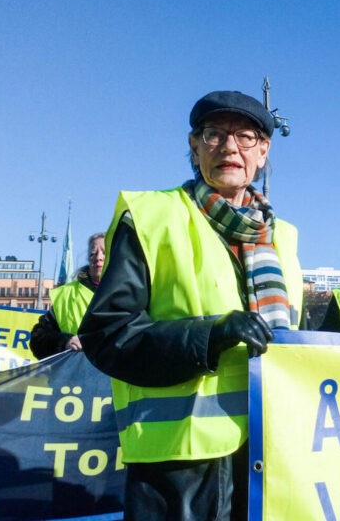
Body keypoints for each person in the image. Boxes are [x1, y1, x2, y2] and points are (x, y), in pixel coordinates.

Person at [79, 90, 303, 521]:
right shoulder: (150, 217)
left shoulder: (284, 237)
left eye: (245, 137)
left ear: (263, 151)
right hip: (179, 466)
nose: (229, 147)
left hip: (269, 455)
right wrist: (211, 336)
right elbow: (106, 335)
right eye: (214, 134)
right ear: (194, 145)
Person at [30, 232, 105, 358]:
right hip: (74, 375)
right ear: (88, 258)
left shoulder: (131, 293)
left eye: (104, 252)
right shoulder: (67, 295)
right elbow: (38, 339)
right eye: (93, 253)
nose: (98, 257)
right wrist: (65, 342)